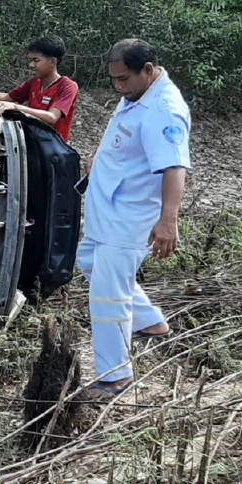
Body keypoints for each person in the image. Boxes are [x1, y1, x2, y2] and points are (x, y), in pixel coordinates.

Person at [77, 38, 191, 401]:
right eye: (114, 80)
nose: (118, 87)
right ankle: (150, 322)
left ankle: (115, 375)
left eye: (123, 79)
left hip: (130, 214)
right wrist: (98, 157)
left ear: (148, 70)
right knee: (88, 262)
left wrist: (168, 221)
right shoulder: (135, 94)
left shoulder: (165, 110)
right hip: (107, 205)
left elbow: (175, 167)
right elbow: (119, 130)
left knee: (108, 293)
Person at [0, 36, 80, 142]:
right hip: (32, 145)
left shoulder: (67, 86)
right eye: (30, 60)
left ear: (52, 61)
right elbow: (6, 97)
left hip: (54, 149)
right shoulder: (34, 83)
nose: (31, 65)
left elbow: (51, 117)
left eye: (36, 60)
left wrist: (15, 107)